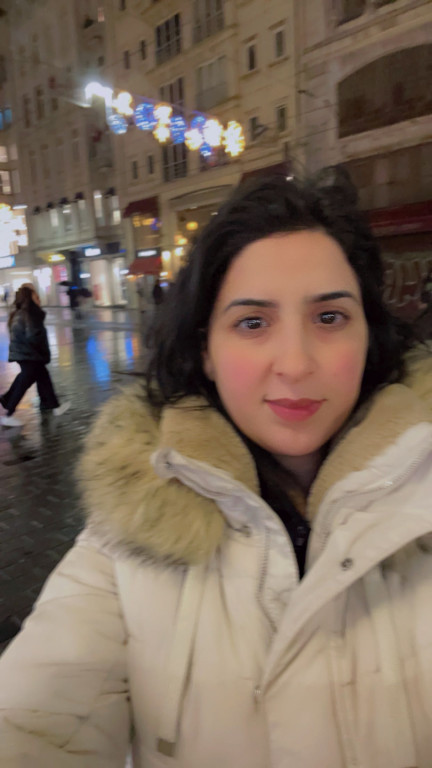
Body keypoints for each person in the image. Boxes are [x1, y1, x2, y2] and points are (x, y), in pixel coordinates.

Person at [0, 169, 432, 767]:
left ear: (369, 335)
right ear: (206, 350)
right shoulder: (130, 537)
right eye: (252, 323)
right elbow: (38, 721)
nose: (295, 363)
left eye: (329, 317)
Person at [0, 284, 70, 427]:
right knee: (24, 382)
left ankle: (55, 406)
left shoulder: (20, 313)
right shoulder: (30, 314)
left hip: (25, 353)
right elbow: (33, 336)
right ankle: (8, 414)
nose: (39, 299)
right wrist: (42, 350)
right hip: (29, 354)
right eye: (36, 297)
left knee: (43, 378)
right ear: (30, 299)